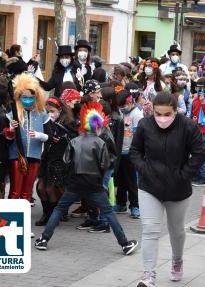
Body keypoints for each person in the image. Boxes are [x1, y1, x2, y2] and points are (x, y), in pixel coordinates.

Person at [34, 102, 138, 255]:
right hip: (94, 184)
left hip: (75, 183)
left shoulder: (74, 142)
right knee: (108, 212)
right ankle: (124, 243)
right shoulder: (100, 142)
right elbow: (105, 164)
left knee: (59, 208)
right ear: (97, 125)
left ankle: (43, 239)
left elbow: (66, 161)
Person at [130, 92, 205, 287]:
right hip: (149, 187)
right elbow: (135, 151)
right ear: (152, 111)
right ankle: (148, 277)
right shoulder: (145, 126)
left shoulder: (188, 126)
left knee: (176, 230)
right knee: (150, 230)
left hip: (178, 188)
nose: (162, 118)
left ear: (175, 111)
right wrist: (144, 169)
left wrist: (184, 175)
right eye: (158, 114)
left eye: (167, 114)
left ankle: (177, 260)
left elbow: (200, 152)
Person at [5, 74, 49, 201]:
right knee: (15, 192)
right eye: (25, 97)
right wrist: (11, 130)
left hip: (34, 157)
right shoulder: (11, 115)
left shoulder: (42, 115)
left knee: (27, 193)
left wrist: (40, 135)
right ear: (19, 97)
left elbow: (50, 136)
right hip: (17, 156)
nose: (28, 100)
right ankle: (11, 218)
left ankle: (24, 219)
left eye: (31, 97)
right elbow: (7, 139)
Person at [34, 97, 78, 226]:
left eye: (52, 111)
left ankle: (54, 216)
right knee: (40, 187)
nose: (49, 114)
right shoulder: (44, 121)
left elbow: (73, 139)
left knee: (50, 188)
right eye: (46, 111)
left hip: (58, 159)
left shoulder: (68, 123)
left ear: (59, 109)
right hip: (46, 157)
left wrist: (61, 138)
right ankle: (46, 214)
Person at [115, 89, 143, 218]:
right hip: (120, 152)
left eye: (123, 105)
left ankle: (134, 206)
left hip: (130, 153)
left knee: (131, 182)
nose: (122, 108)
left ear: (130, 102)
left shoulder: (137, 114)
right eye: (120, 106)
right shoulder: (121, 113)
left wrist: (135, 152)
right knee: (120, 181)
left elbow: (139, 136)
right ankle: (120, 203)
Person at [189, 78, 205, 186]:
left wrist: (203, 102)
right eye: (198, 88)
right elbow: (191, 114)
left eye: (202, 88)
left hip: (204, 131)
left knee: (204, 154)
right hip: (194, 130)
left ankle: (203, 177)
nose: (200, 90)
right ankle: (196, 174)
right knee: (195, 153)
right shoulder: (194, 100)